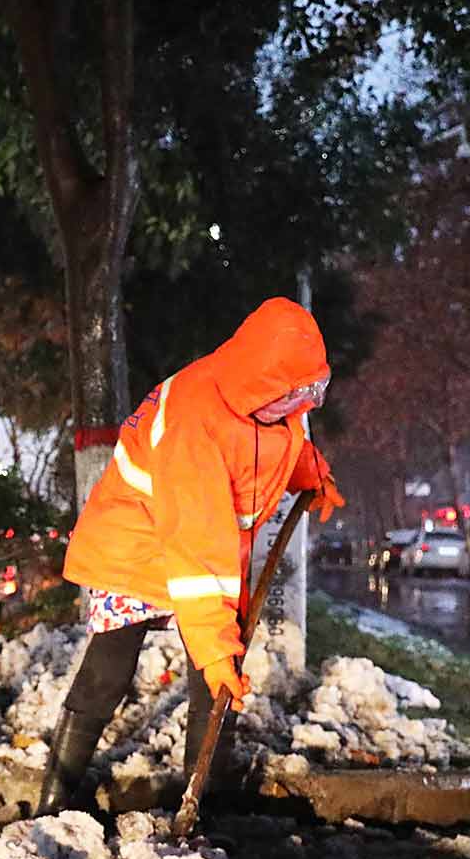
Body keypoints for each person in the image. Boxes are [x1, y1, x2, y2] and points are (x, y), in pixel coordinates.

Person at [39, 297, 344, 814]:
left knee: (215, 674)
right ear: (265, 384)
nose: (307, 405)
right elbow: (198, 545)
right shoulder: (195, 420)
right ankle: (55, 795)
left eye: (313, 391)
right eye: (298, 394)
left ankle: (201, 799)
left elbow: (270, 448)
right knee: (113, 670)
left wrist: (309, 473)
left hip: (195, 545)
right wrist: (215, 646)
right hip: (133, 547)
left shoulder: (265, 400)